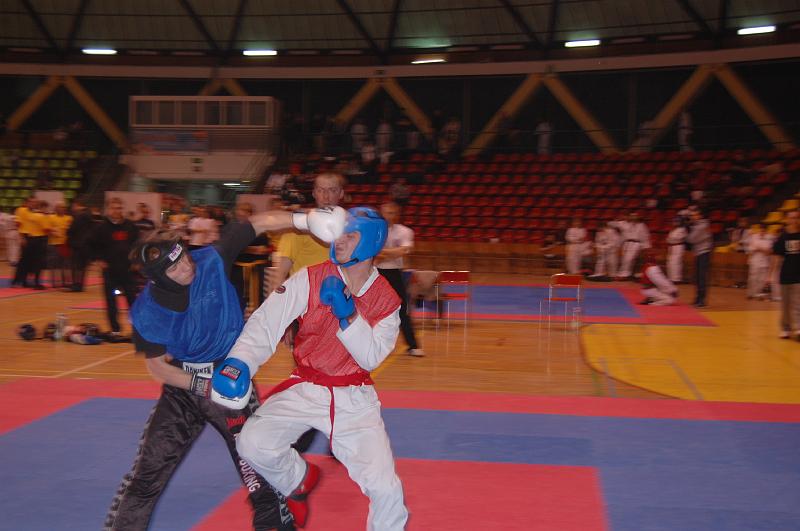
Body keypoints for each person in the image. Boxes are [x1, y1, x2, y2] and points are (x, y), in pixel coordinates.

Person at [104, 205, 347, 531]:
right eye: (175, 268)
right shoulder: (147, 312)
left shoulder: (211, 259)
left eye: (184, 257)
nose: (186, 267)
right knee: (148, 471)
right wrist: (204, 386)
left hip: (230, 371)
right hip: (182, 383)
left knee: (257, 465)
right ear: (159, 278)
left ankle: (279, 520)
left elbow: (258, 222)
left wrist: (305, 219)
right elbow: (158, 369)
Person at [215, 207, 408, 530]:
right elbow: (268, 320)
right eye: (338, 234)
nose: (338, 241)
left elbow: (370, 358)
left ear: (371, 242)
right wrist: (241, 360)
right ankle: (297, 479)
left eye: (350, 236)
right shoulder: (312, 277)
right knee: (252, 442)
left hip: (354, 400)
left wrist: (348, 316)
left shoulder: (386, 301)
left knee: (385, 488)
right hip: (306, 385)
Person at [376, 201, 424, 357]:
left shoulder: (405, 231)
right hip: (375, 272)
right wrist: (393, 252)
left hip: (395, 273)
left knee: (402, 309)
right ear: (381, 213)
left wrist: (382, 253)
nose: (389, 216)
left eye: (392, 213)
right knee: (371, 309)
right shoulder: (374, 230)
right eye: (386, 212)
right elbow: (373, 253)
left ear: (397, 215)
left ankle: (413, 346)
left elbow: (404, 251)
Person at [92, 197, 139, 335]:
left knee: (132, 300)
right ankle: (115, 329)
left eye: (119, 208)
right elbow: (92, 245)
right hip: (110, 270)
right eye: (113, 208)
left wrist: (136, 261)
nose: (116, 211)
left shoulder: (130, 226)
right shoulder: (101, 228)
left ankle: (137, 330)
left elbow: (137, 245)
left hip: (127, 269)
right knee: (111, 301)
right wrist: (99, 259)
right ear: (108, 210)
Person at [771, 209, 800, 339]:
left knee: (797, 303)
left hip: (798, 276)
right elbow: (776, 257)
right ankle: (785, 328)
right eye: (791, 218)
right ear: (787, 220)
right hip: (786, 275)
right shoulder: (782, 237)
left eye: (796, 218)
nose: (794, 220)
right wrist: (771, 274)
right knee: (785, 304)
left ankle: (798, 328)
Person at [66, 198, 95, 292]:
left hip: (78, 244)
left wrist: (67, 231)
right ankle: (80, 285)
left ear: (77, 205)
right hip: (86, 245)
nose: (72, 208)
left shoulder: (80, 216)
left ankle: (76, 285)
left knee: (76, 266)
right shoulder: (89, 215)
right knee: (82, 266)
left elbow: (72, 229)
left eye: (73, 206)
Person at [686, 207, 713, 308]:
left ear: (700, 216)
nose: (693, 217)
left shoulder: (702, 226)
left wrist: (688, 229)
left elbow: (691, 239)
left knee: (701, 277)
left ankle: (702, 300)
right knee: (697, 277)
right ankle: (698, 298)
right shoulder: (698, 225)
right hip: (698, 253)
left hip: (703, 253)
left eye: (695, 215)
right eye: (692, 215)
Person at [612, 212, 651, 280]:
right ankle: (626, 274)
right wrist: (619, 219)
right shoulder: (625, 223)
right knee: (624, 259)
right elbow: (612, 224)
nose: (633, 217)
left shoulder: (641, 225)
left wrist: (646, 247)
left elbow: (645, 236)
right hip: (626, 243)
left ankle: (624, 275)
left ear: (637, 217)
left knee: (629, 259)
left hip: (636, 243)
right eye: (632, 216)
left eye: (635, 216)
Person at [46, 202, 72, 288]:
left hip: (65, 244)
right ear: (56, 208)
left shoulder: (69, 218)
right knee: (54, 264)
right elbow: (47, 230)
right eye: (60, 207)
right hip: (54, 244)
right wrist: (53, 232)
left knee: (66, 264)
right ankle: (55, 282)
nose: (62, 209)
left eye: (63, 207)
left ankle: (67, 282)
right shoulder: (50, 217)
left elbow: (72, 230)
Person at [746, 224, 774, 300]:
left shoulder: (769, 238)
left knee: (762, 279)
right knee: (753, 278)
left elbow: (769, 251)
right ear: (759, 230)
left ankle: (759, 295)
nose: (762, 232)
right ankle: (751, 294)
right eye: (761, 230)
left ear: (766, 231)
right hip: (755, 261)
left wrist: (759, 248)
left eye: (764, 231)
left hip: (764, 262)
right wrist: (761, 249)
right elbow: (751, 249)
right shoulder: (754, 237)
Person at [665, 217, 688, 283]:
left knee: (676, 262)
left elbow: (676, 238)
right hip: (671, 247)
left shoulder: (683, 229)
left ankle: (676, 279)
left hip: (678, 246)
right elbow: (668, 239)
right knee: (669, 262)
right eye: (674, 221)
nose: (675, 223)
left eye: (677, 221)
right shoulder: (673, 229)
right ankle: (670, 278)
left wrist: (670, 239)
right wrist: (670, 239)